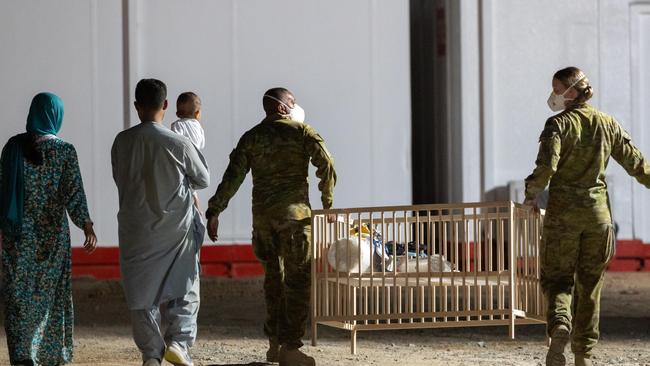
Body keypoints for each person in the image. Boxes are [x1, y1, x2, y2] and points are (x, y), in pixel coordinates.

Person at [524, 66, 650, 366]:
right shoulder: (607, 123)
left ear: (569, 91)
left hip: (562, 218)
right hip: (598, 218)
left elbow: (546, 168)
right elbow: (637, 164)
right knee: (591, 285)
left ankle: (560, 325)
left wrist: (530, 193)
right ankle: (584, 353)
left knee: (557, 279)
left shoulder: (557, 125)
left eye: (557, 88)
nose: (553, 95)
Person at [205, 87, 336, 366]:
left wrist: (215, 210)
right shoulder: (301, 132)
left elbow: (233, 176)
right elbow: (326, 163)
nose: (295, 107)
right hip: (295, 220)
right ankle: (291, 347)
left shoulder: (251, 138)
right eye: (292, 102)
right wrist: (327, 202)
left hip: (263, 221)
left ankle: (274, 344)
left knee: (273, 279)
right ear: (280, 107)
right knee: (298, 281)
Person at [111, 79, 210, 366]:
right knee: (186, 286)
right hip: (175, 231)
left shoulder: (122, 141)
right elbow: (202, 179)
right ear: (165, 105)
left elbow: (120, 178)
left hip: (135, 230)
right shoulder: (178, 143)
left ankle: (151, 355)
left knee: (141, 293)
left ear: (136, 106)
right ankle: (179, 342)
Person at [0, 92, 97, 366]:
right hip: (52, 239)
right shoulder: (65, 151)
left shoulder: (12, 148)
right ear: (56, 117)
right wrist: (87, 225)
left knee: (18, 296)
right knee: (51, 296)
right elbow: (74, 193)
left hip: (17, 238)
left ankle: (22, 355)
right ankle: (50, 354)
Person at [171, 92, 205, 211]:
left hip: (182, 165)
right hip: (195, 165)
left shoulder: (177, 125)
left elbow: (175, 142)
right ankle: (198, 215)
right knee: (193, 191)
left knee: (187, 190)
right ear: (197, 113)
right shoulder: (199, 127)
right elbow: (201, 145)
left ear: (177, 113)